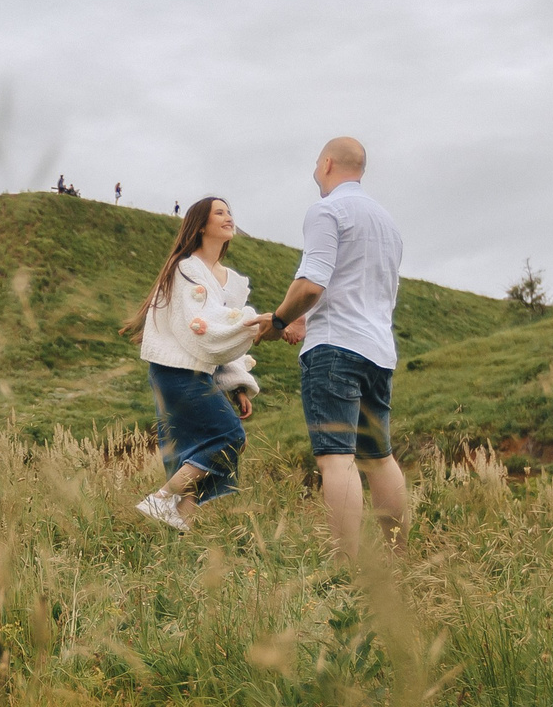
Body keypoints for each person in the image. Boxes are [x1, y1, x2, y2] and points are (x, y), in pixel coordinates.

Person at [265, 136, 408, 556]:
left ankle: (347, 565)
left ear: (327, 163)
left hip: (334, 349)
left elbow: (312, 284)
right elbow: (365, 288)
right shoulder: (387, 223)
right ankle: (398, 558)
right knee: (379, 458)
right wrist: (302, 316)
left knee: (336, 459)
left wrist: (279, 320)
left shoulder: (327, 210)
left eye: (315, 165)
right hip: (378, 350)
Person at [127, 197, 270, 532]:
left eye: (230, 212)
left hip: (201, 370)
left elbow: (224, 335)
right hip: (174, 371)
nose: (228, 217)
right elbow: (205, 325)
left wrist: (236, 384)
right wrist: (254, 320)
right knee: (230, 436)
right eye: (219, 212)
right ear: (201, 225)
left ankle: (182, 527)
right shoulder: (186, 269)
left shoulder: (231, 281)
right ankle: (161, 499)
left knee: (196, 450)